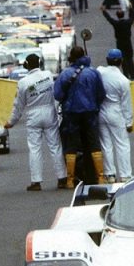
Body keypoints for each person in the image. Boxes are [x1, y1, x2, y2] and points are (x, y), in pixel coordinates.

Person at [4, 54, 66, 191]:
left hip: (33, 115)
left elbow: (18, 106)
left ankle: (36, 181)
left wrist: (11, 122)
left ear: (26, 65)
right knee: (55, 146)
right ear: (40, 63)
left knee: (34, 149)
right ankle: (62, 178)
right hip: (50, 112)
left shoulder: (23, 83)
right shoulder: (48, 75)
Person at [54, 45, 105, 187]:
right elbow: (101, 93)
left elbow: (57, 94)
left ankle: (70, 179)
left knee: (71, 145)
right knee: (94, 143)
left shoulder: (65, 74)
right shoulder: (93, 73)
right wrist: (95, 106)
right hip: (90, 113)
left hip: (71, 114)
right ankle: (100, 177)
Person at [97, 49, 134, 184]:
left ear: (107, 60)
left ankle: (109, 174)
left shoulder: (100, 72)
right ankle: (125, 175)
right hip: (116, 112)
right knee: (122, 144)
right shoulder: (123, 81)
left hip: (101, 111)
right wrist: (129, 122)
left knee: (105, 144)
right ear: (121, 61)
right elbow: (126, 104)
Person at [101, 5, 134, 79]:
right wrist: (131, 9)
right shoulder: (128, 22)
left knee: (123, 59)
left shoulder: (116, 24)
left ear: (117, 16)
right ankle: (132, 74)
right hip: (128, 42)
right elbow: (132, 17)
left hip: (120, 42)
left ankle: (126, 74)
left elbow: (109, 19)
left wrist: (104, 11)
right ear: (123, 15)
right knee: (130, 58)